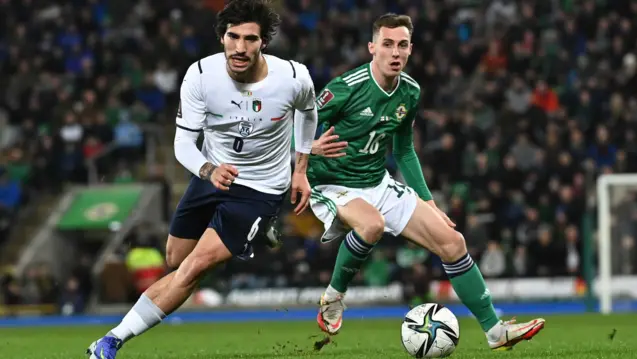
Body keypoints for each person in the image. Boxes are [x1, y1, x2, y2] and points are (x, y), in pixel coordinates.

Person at [86, 1, 318, 358]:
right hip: (211, 175)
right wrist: (209, 170)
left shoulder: (293, 77)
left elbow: (308, 111)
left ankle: (111, 340)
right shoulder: (200, 75)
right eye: (233, 36)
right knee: (176, 258)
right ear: (222, 37)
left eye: (250, 39)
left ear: (264, 43)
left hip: (260, 188)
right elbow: (183, 144)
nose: (240, 47)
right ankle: (247, 236)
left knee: (194, 268)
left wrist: (299, 170)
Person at [307, 13, 545, 350]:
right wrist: (307, 145)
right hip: (332, 183)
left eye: (402, 45)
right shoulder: (346, 88)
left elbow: (404, 151)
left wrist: (429, 202)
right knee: (371, 225)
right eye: (387, 44)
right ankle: (333, 297)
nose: (395, 52)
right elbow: (294, 125)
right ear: (372, 47)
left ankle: (495, 331)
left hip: (378, 182)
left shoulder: (410, 92)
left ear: (410, 49)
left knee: (453, 242)